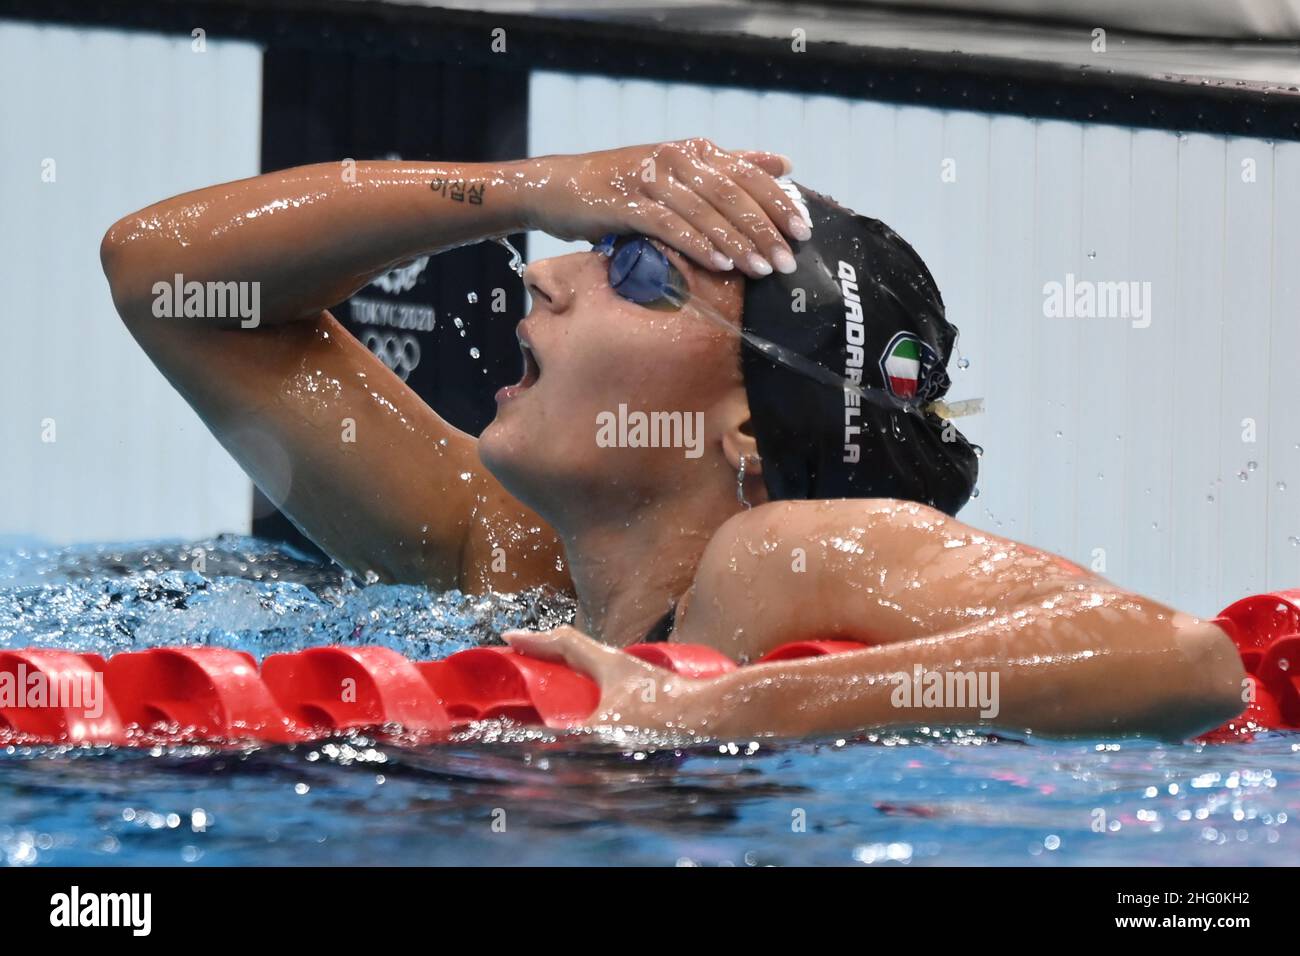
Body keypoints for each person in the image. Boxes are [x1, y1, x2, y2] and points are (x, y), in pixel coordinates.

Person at [100, 139, 1244, 740]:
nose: (541, 273)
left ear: (749, 422)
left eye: (635, 272)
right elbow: (168, 277)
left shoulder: (783, 556)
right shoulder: (508, 557)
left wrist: (713, 709)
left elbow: (1187, 659)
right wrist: (530, 187)